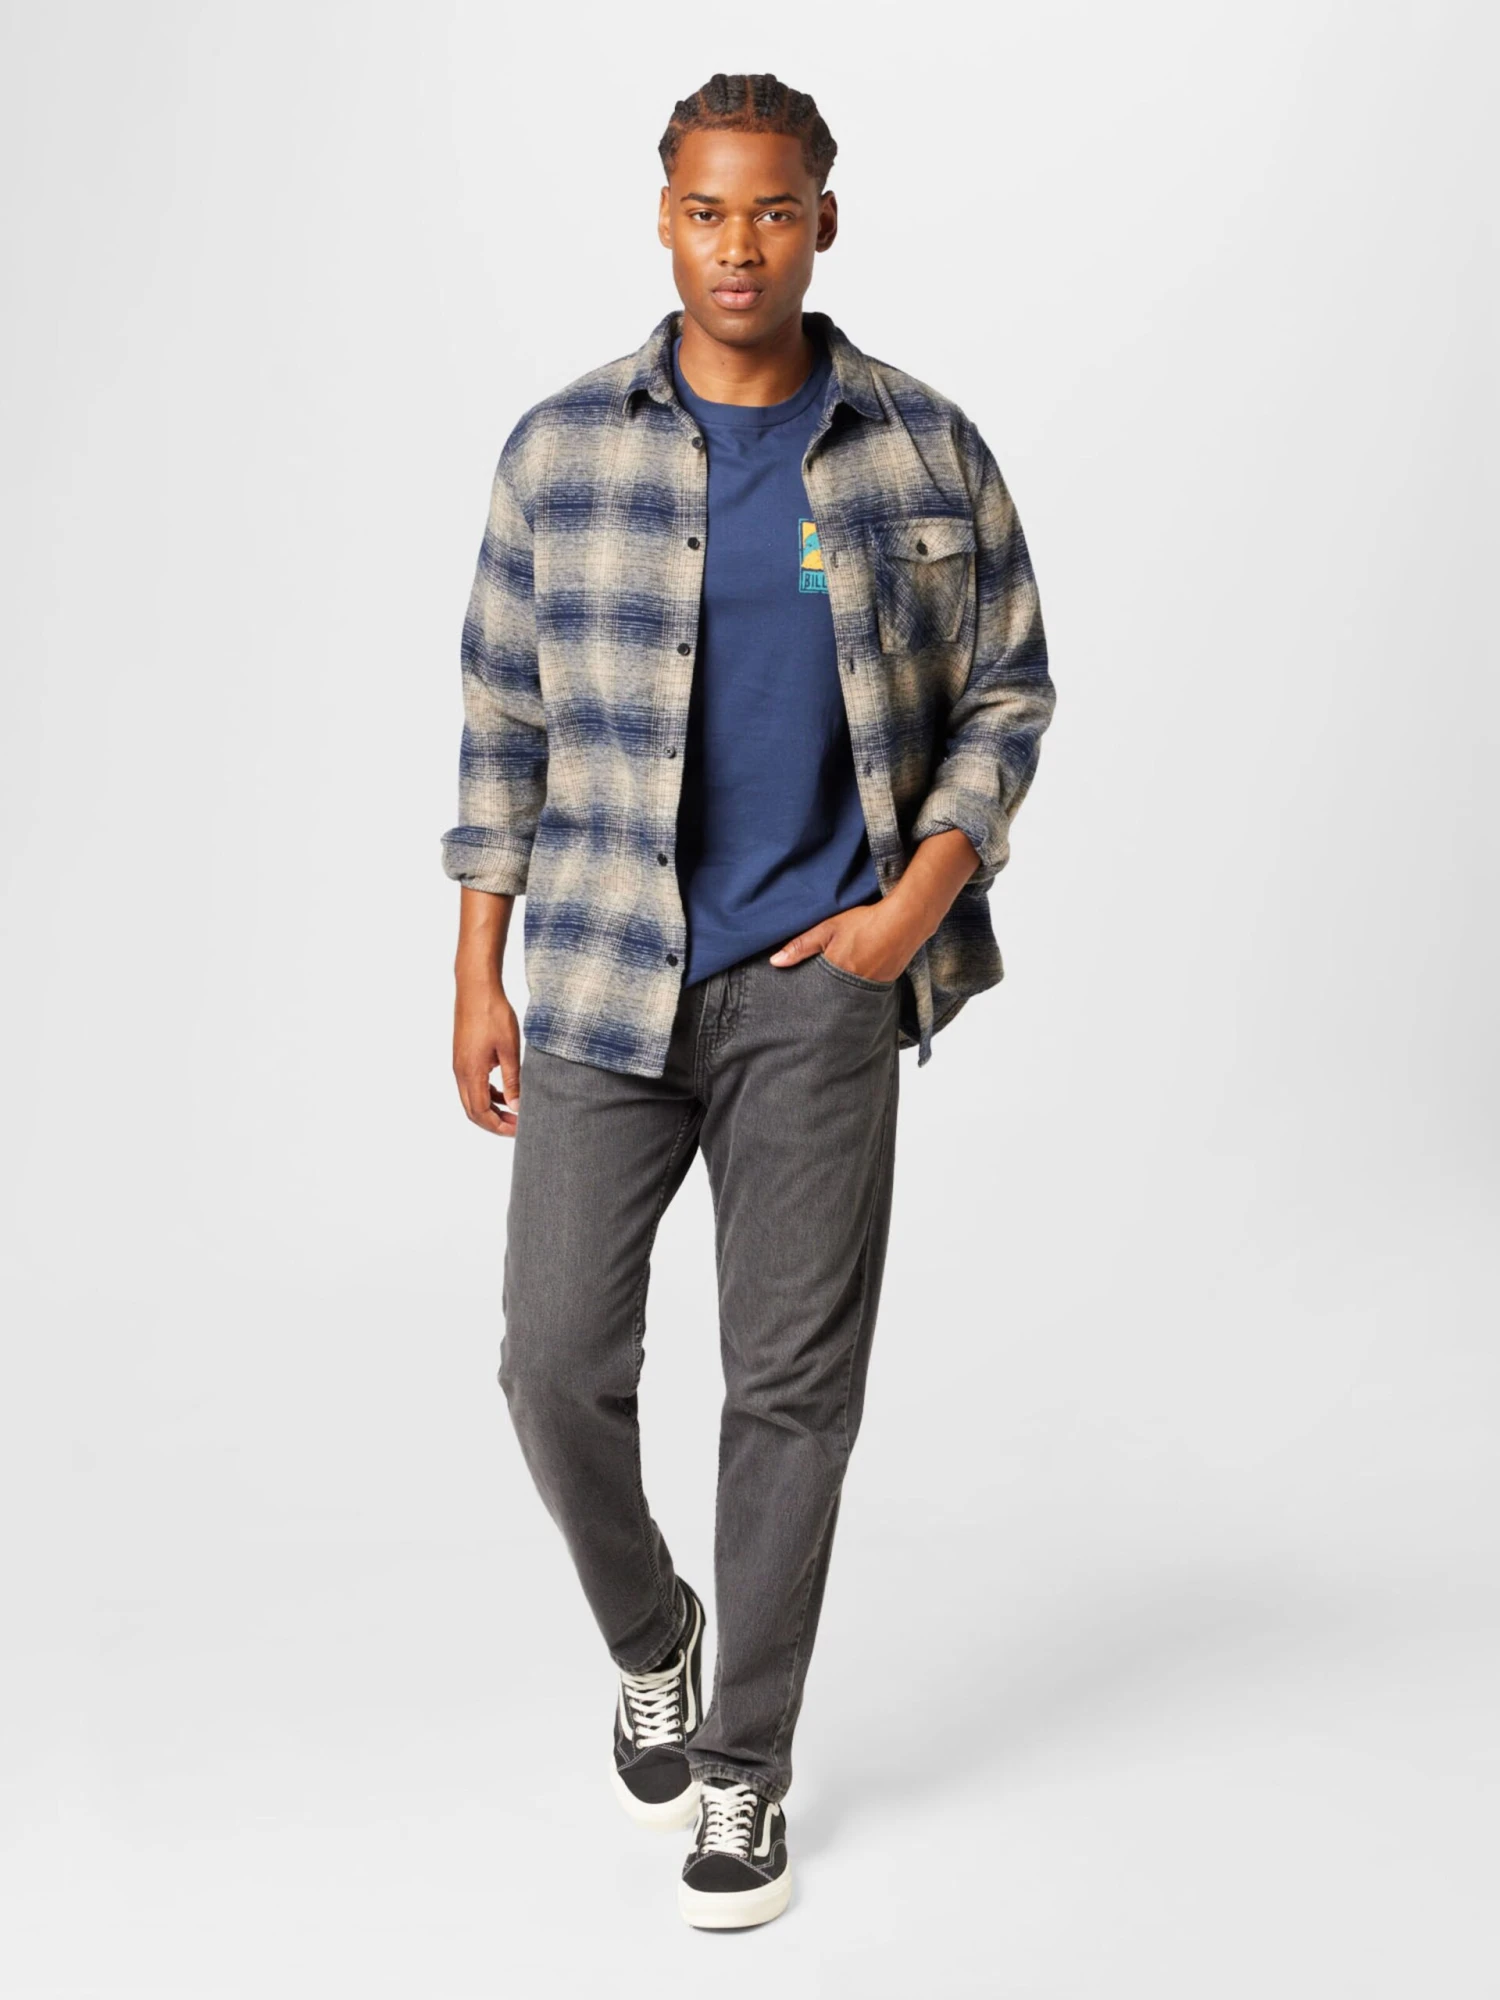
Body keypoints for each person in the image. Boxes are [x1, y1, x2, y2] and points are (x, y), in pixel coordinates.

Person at [442, 72, 1055, 1931]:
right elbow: (501, 719)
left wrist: (911, 908)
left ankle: (745, 1771)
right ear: (665, 220)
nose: (740, 246)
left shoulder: (923, 448)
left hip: (819, 991)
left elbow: (1009, 691)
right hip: (604, 974)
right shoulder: (563, 454)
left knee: (791, 1394)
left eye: (773, 211)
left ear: (822, 223)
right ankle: (656, 1633)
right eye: (707, 212)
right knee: (553, 1363)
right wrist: (475, 967)